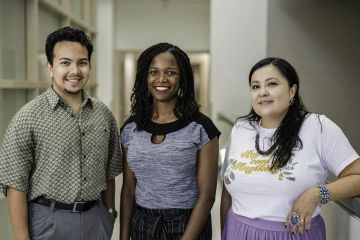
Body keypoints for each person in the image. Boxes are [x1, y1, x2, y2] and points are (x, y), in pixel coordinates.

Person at [0, 26, 122, 240]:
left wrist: (109, 213)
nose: (74, 71)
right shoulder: (28, 117)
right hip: (48, 223)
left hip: (96, 222)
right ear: (50, 67)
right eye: (65, 63)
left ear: (89, 66)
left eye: (82, 63)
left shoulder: (103, 114)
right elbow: (14, 185)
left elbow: (109, 172)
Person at [220, 57, 360, 239]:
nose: (262, 92)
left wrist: (318, 193)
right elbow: (227, 190)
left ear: (292, 90)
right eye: (255, 86)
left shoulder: (318, 127)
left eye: (271, 84)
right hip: (238, 232)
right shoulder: (241, 129)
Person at [120, 42, 220, 240]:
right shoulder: (131, 129)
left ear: (182, 78)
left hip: (187, 224)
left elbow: (207, 197)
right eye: (154, 72)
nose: (161, 79)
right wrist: (124, 237)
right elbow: (129, 189)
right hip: (142, 223)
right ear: (144, 78)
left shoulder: (201, 128)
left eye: (171, 72)